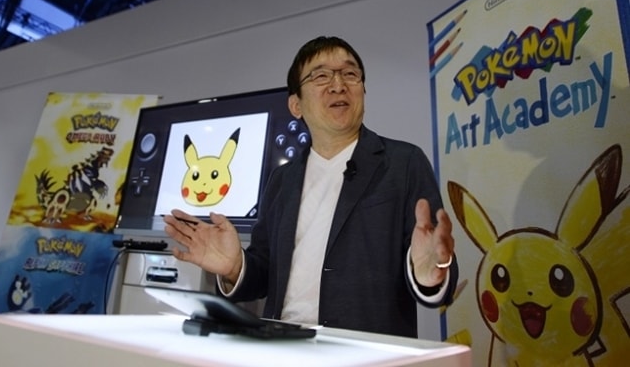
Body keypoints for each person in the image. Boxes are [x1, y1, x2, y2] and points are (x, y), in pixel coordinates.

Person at [163, 36, 458, 338]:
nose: (338, 85)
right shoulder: (282, 180)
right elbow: (263, 273)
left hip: (365, 350)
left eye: (350, 74)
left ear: (363, 91)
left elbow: (432, 257)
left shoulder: (403, 163)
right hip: (283, 344)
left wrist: (428, 272)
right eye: (320, 76)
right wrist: (235, 267)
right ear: (296, 105)